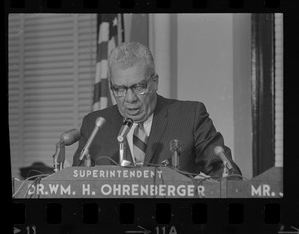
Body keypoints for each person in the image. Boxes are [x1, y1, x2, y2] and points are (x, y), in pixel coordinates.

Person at [73, 42, 241, 179]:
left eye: (139, 87)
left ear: (154, 82)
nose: (130, 98)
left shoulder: (190, 116)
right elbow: (74, 183)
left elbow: (226, 173)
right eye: (119, 89)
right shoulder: (94, 126)